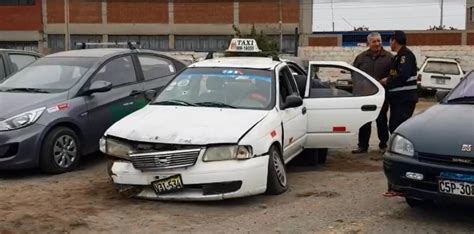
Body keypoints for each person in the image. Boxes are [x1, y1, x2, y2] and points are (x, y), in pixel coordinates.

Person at [352, 32, 393, 154]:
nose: (377, 43)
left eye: (379, 41)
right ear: (368, 43)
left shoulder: (389, 57)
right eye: (374, 41)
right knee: (365, 120)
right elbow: (354, 74)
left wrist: (387, 81)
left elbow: (394, 75)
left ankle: (383, 144)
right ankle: (363, 146)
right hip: (365, 95)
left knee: (381, 120)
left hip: (382, 95)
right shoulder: (361, 58)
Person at [380, 30, 418, 133]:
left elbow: (402, 75)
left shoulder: (405, 55)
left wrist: (388, 81)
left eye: (390, 41)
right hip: (398, 99)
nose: (389, 44)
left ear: (394, 41)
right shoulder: (398, 56)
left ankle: (400, 148)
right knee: (393, 126)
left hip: (404, 99)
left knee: (398, 127)